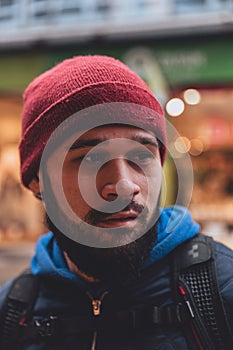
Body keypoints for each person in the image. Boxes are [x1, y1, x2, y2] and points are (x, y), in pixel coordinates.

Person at [0, 55, 233, 350]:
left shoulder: (221, 292)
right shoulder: (13, 314)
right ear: (37, 180)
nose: (124, 186)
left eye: (140, 156)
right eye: (90, 159)